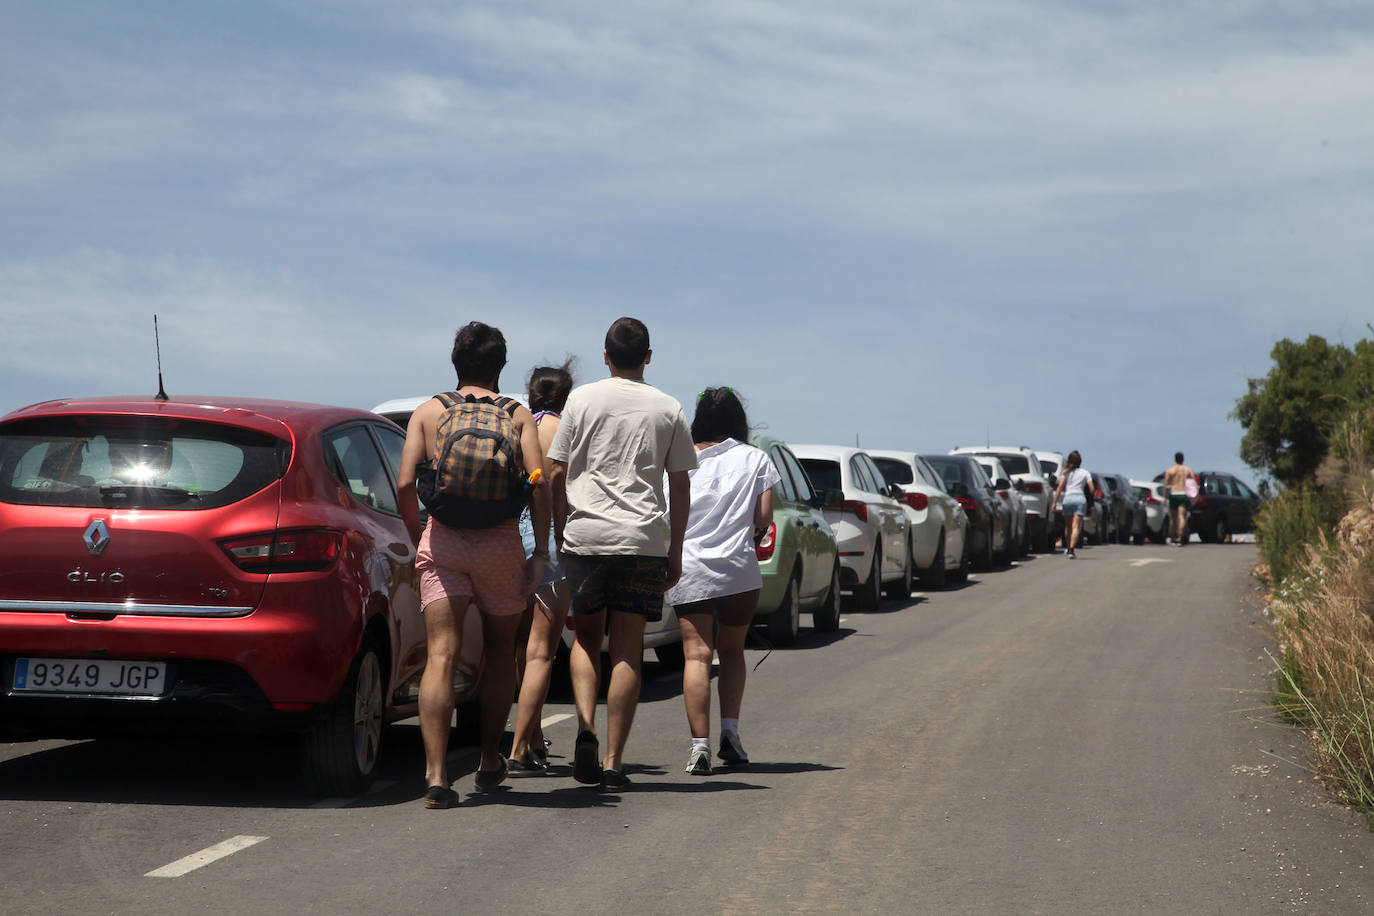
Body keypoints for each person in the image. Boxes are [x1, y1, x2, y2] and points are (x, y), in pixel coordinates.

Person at [396, 322, 551, 809]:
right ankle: (489, 759)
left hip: (443, 542)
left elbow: (404, 485)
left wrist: (413, 535)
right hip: (501, 544)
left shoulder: (429, 411)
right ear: (500, 366)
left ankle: (438, 776)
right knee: (502, 652)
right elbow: (539, 483)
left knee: (442, 652)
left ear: (455, 362)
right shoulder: (518, 415)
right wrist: (541, 550)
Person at [547, 317, 698, 790]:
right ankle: (613, 761)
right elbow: (680, 484)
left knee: (587, 642)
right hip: (642, 541)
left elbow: (554, 472)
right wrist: (675, 550)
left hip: (585, 538)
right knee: (628, 650)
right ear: (648, 357)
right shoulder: (668, 408)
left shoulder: (581, 399)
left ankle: (586, 730)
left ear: (605, 355)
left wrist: (560, 530)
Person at [667, 388, 779, 775]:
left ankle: (700, 747)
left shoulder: (682, 460)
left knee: (697, 656)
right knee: (731, 652)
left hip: (691, 568)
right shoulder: (755, 458)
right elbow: (764, 517)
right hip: (739, 570)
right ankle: (730, 732)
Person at [507, 361, 576, 776]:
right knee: (541, 653)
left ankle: (532, 739)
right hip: (551, 541)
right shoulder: (564, 430)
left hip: (510, 539)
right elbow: (563, 492)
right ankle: (518, 748)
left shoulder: (517, 426)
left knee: (517, 647)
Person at [1049, 450, 1091, 559]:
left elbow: (1059, 488)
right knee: (1076, 526)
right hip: (1080, 499)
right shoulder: (1085, 473)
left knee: (1068, 526)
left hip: (1068, 499)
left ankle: (1067, 547)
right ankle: (1072, 550)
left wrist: (1054, 502)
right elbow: (1092, 488)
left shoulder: (1066, 472)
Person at [1162, 452, 1196, 546]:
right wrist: (1194, 496)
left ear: (1175, 459)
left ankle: (1172, 537)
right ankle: (1180, 537)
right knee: (1182, 517)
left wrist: (1164, 497)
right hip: (1183, 494)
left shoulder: (1170, 470)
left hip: (1173, 494)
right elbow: (1193, 482)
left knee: (1173, 518)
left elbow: (1165, 485)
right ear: (1183, 459)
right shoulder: (1187, 470)